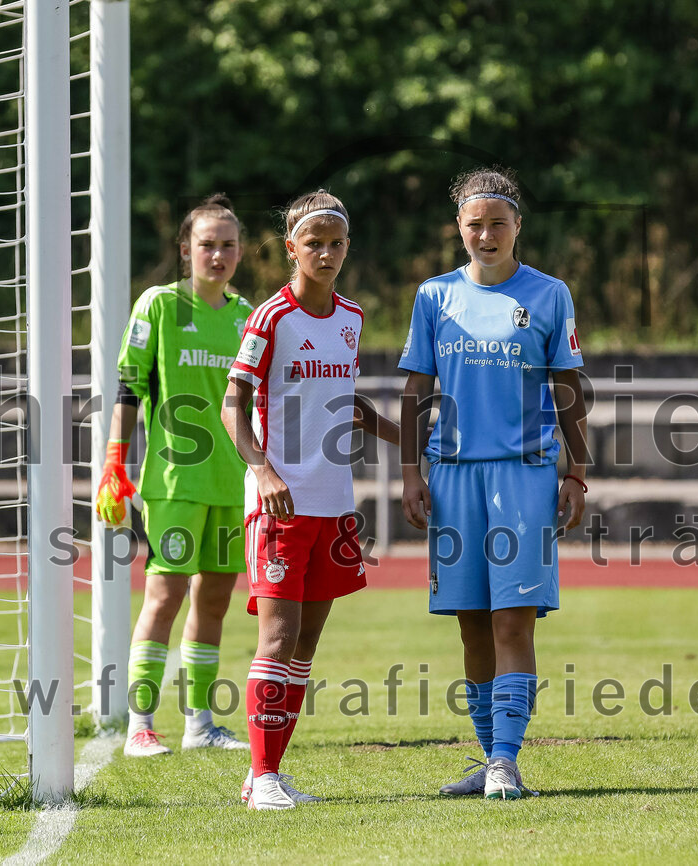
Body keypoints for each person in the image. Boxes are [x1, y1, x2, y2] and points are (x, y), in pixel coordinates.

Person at [399, 167, 588, 800]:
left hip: (525, 475)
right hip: (451, 477)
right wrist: (409, 472)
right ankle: (489, 757)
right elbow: (416, 391)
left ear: (516, 227)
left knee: (514, 621)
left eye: (497, 224)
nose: (486, 235)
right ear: (459, 228)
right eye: (474, 224)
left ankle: (507, 759)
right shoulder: (434, 297)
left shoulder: (549, 294)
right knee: (471, 623)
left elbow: (568, 388)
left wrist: (577, 472)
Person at [222, 189, 399, 810]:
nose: (325, 253)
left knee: (305, 645)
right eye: (313, 242)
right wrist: (263, 470)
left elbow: (347, 403)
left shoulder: (350, 316)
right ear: (291, 247)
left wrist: (406, 439)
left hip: (335, 503)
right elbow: (231, 405)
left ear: (347, 247)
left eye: (336, 243)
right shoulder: (270, 317)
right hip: (280, 505)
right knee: (278, 636)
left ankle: (268, 772)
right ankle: (262, 775)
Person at [95, 194, 252, 757]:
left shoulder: (245, 316)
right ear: (185, 248)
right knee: (164, 596)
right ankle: (140, 725)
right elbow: (129, 387)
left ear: (240, 252)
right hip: (173, 481)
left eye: (227, 245)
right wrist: (114, 460)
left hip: (232, 483)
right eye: (206, 244)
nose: (217, 254)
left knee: (214, 603)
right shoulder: (158, 307)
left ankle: (200, 724)